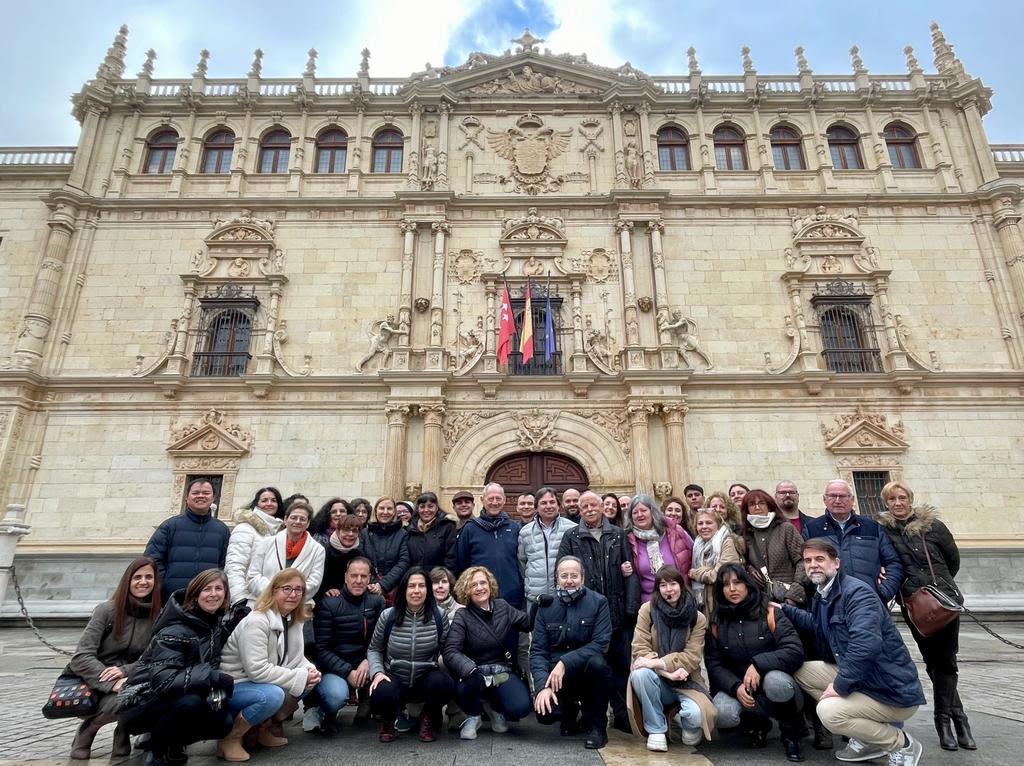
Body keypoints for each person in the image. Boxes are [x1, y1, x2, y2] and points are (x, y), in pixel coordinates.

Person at [781, 539, 925, 766]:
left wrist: (839, 686)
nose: (813, 565)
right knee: (803, 671)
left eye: (820, 559)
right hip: (866, 679)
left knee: (828, 712)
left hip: (889, 689)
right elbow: (819, 624)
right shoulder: (824, 592)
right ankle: (867, 738)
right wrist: (784, 610)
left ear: (836, 563)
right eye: (808, 560)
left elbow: (865, 645)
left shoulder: (858, 593)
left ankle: (901, 743)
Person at [877, 481, 974, 751]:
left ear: (911, 499)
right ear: (886, 503)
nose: (898, 503)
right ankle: (956, 719)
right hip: (915, 606)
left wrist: (938, 587)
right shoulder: (882, 531)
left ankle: (947, 720)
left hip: (944, 602)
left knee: (945, 661)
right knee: (936, 661)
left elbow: (952, 560)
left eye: (902, 497)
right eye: (892, 499)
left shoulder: (934, 527)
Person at [117, 569, 236, 766]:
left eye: (218, 589)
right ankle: (156, 749)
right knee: (191, 703)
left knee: (222, 720)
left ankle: (173, 743)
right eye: (207, 589)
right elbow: (164, 681)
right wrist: (212, 677)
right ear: (195, 594)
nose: (213, 594)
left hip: (173, 696)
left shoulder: (211, 623)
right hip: (141, 699)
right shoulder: (176, 628)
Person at [557, 490, 639, 732]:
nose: (590, 509)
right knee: (591, 667)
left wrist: (630, 608)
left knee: (620, 665)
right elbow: (563, 571)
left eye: (594, 505)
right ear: (578, 510)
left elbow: (631, 572)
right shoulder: (571, 536)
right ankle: (589, 715)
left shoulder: (618, 534)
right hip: (586, 615)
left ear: (603, 507)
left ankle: (622, 715)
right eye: (584, 506)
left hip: (616, 612)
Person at [219, 569, 321, 761]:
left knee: (308, 681)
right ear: (273, 591)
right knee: (273, 695)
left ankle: (259, 729)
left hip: (259, 682)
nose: (293, 594)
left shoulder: (292, 620)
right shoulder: (257, 621)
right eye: (287, 588)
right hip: (236, 684)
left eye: (299, 590)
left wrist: (310, 670)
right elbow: (256, 669)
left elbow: (295, 658)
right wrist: (299, 677)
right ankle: (230, 738)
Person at [706, 564, 805, 762]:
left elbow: (794, 650)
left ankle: (790, 734)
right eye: (726, 585)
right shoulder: (717, 622)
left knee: (776, 682)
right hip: (742, 686)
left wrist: (758, 664)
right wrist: (734, 688)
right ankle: (756, 724)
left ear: (748, 585)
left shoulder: (770, 612)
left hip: (776, 685)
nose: (732, 589)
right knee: (722, 713)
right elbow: (714, 664)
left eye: (737, 582)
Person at [66, 557, 162, 760]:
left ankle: (123, 729)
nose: (143, 582)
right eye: (137, 577)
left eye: (148, 577)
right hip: (98, 679)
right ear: (127, 580)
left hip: (134, 678)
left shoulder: (158, 615)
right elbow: (81, 656)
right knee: (124, 697)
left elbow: (155, 657)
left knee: (149, 693)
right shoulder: (106, 611)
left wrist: (127, 672)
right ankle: (89, 729)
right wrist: (111, 680)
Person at [627, 566, 717, 752]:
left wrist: (658, 663)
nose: (669, 590)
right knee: (640, 675)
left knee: (695, 719)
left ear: (682, 585)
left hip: (687, 680)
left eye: (673, 584)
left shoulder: (697, 618)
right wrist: (663, 671)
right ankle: (656, 729)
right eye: (663, 585)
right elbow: (640, 648)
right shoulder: (648, 610)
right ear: (657, 589)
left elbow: (691, 657)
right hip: (657, 679)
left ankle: (685, 721)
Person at [531, 556, 613, 750]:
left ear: (582, 578)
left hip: (586, 670)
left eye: (574, 576)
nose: (569, 580)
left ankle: (598, 728)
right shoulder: (546, 606)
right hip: (556, 675)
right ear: (556, 579)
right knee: (545, 715)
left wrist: (565, 662)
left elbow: (601, 643)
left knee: (599, 666)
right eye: (564, 576)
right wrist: (542, 687)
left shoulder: (598, 602)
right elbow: (538, 651)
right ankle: (568, 714)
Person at [444, 566, 533, 739]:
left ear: (490, 585)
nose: (479, 588)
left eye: (483, 582)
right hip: (475, 673)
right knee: (464, 687)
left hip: (501, 673)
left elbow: (527, 623)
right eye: (473, 585)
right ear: (467, 590)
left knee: (521, 706)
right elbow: (450, 650)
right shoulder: (462, 615)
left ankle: (495, 710)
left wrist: (538, 605)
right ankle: (474, 714)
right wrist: (469, 669)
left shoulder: (503, 606)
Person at [368, 567, 455, 743]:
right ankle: (389, 720)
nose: (416, 591)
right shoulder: (388, 616)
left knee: (444, 684)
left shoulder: (439, 616)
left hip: (425, 676)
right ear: (404, 589)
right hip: (396, 675)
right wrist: (377, 672)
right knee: (380, 691)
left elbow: (448, 649)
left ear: (427, 589)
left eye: (421, 586)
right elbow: (374, 649)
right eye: (411, 586)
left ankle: (427, 716)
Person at [309, 556, 385, 734]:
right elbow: (321, 649)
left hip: (365, 663)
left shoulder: (376, 602)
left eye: (364, 576)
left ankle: (368, 701)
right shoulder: (329, 603)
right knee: (335, 696)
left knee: (386, 690)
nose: (358, 581)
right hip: (336, 667)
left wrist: (369, 661)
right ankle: (326, 710)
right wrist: (347, 672)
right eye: (354, 575)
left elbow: (381, 640)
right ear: (345, 577)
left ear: (369, 579)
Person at [802, 480, 903, 602]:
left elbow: (893, 563)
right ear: (824, 499)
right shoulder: (812, 529)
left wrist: (883, 593)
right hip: (828, 604)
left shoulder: (872, 527)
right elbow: (802, 565)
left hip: (869, 602)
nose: (838, 500)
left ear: (852, 499)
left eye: (843, 496)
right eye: (833, 496)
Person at [144, 478, 230, 601]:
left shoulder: (222, 530)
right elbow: (151, 559)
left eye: (206, 493)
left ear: (213, 498)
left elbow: (224, 564)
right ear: (186, 497)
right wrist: (164, 584)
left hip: (208, 600)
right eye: (195, 493)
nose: (201, 496)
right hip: (172, 598)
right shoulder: (170, 526)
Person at [456, 483, 524, 609]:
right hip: (480, 596)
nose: (494, 502)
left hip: (512, 597)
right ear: (482, 500)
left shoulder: (514, 528)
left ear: (504, 500)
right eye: (490, 498)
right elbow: (462, 563)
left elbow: (521, 561)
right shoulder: (470, 528)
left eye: (498, 498)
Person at [247, 500, 325, 606]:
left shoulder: (318, 550)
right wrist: (276, 593)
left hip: (297, 608)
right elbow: (253, 576)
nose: (297, 521)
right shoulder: (266, 543)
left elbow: (314, 583)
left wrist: (291, 596)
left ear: (308, 524)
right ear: (285, 520)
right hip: (264, 603)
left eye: (302, 519)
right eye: (293, 517)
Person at [740, 490, 807, 606]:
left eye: (761, 503)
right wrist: (748, 569)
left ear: (769, 506)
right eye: (752, 504)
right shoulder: (745, 534)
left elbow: (803, 561)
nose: (757, 507)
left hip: (788, 600)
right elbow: (740, 563)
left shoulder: (786, 529)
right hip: (759, 601)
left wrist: (794, 594)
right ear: (747, 510)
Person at [624, 494, 694, 601]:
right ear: (630, 517)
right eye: (635, 512)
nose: (639, 515)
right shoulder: (628, 540)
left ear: (652, 512)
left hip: (680, 598)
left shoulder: (675, 531)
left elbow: (694, 553)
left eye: (643, 510)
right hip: (649, 602)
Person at [519, 487, 577, 612]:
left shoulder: (572, 529)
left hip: (565, 595)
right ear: (536, 507)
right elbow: (522, 562)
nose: (548, 506)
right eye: (543, 503)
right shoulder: (525, 532)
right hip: (535, 598)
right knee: (536, 631)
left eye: (552, 502)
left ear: (558, 505)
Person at [226, 487, 285, 608]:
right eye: (264, 500)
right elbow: (235, 565)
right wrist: (239, 598)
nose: (269, 503)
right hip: (249, 599)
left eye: (273, 500)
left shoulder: (279, 531)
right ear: (256, 504)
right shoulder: (245, 528)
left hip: (272, 599)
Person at [688, 508, 742, 617]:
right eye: (700, 523)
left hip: (724, 604)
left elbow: (718, 575)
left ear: (718, 525)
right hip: (705, 606)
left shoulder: (727, 542)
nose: (704, 527)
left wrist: (695, 573)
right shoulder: (697, 546)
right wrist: (709, 570)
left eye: (709, 522)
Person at [360, 496, 410, 605]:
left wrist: (382, 585)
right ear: (376, 511)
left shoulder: (403, 534)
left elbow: (403, 562)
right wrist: (373, 584)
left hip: (394, 589)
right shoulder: (364, 533)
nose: (385, 512)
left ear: (394, 512)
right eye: (381, 508)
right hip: (367, 587)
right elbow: (360, 560)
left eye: (389, 509)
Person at [405, 491, 457, 570]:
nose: (426, 510)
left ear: (436, 508)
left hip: (438, 578)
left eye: (430, 506)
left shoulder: (447, 526)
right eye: (422, 507)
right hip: (415, 579)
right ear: (418, 509)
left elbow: (451, 557)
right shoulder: (409, 529)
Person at [317, 513, 364, 598]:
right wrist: (327, 589)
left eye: (354, 531)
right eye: (346, 530)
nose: (350, 534)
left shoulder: (359, 554)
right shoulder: (324, 552)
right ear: (338, 531)